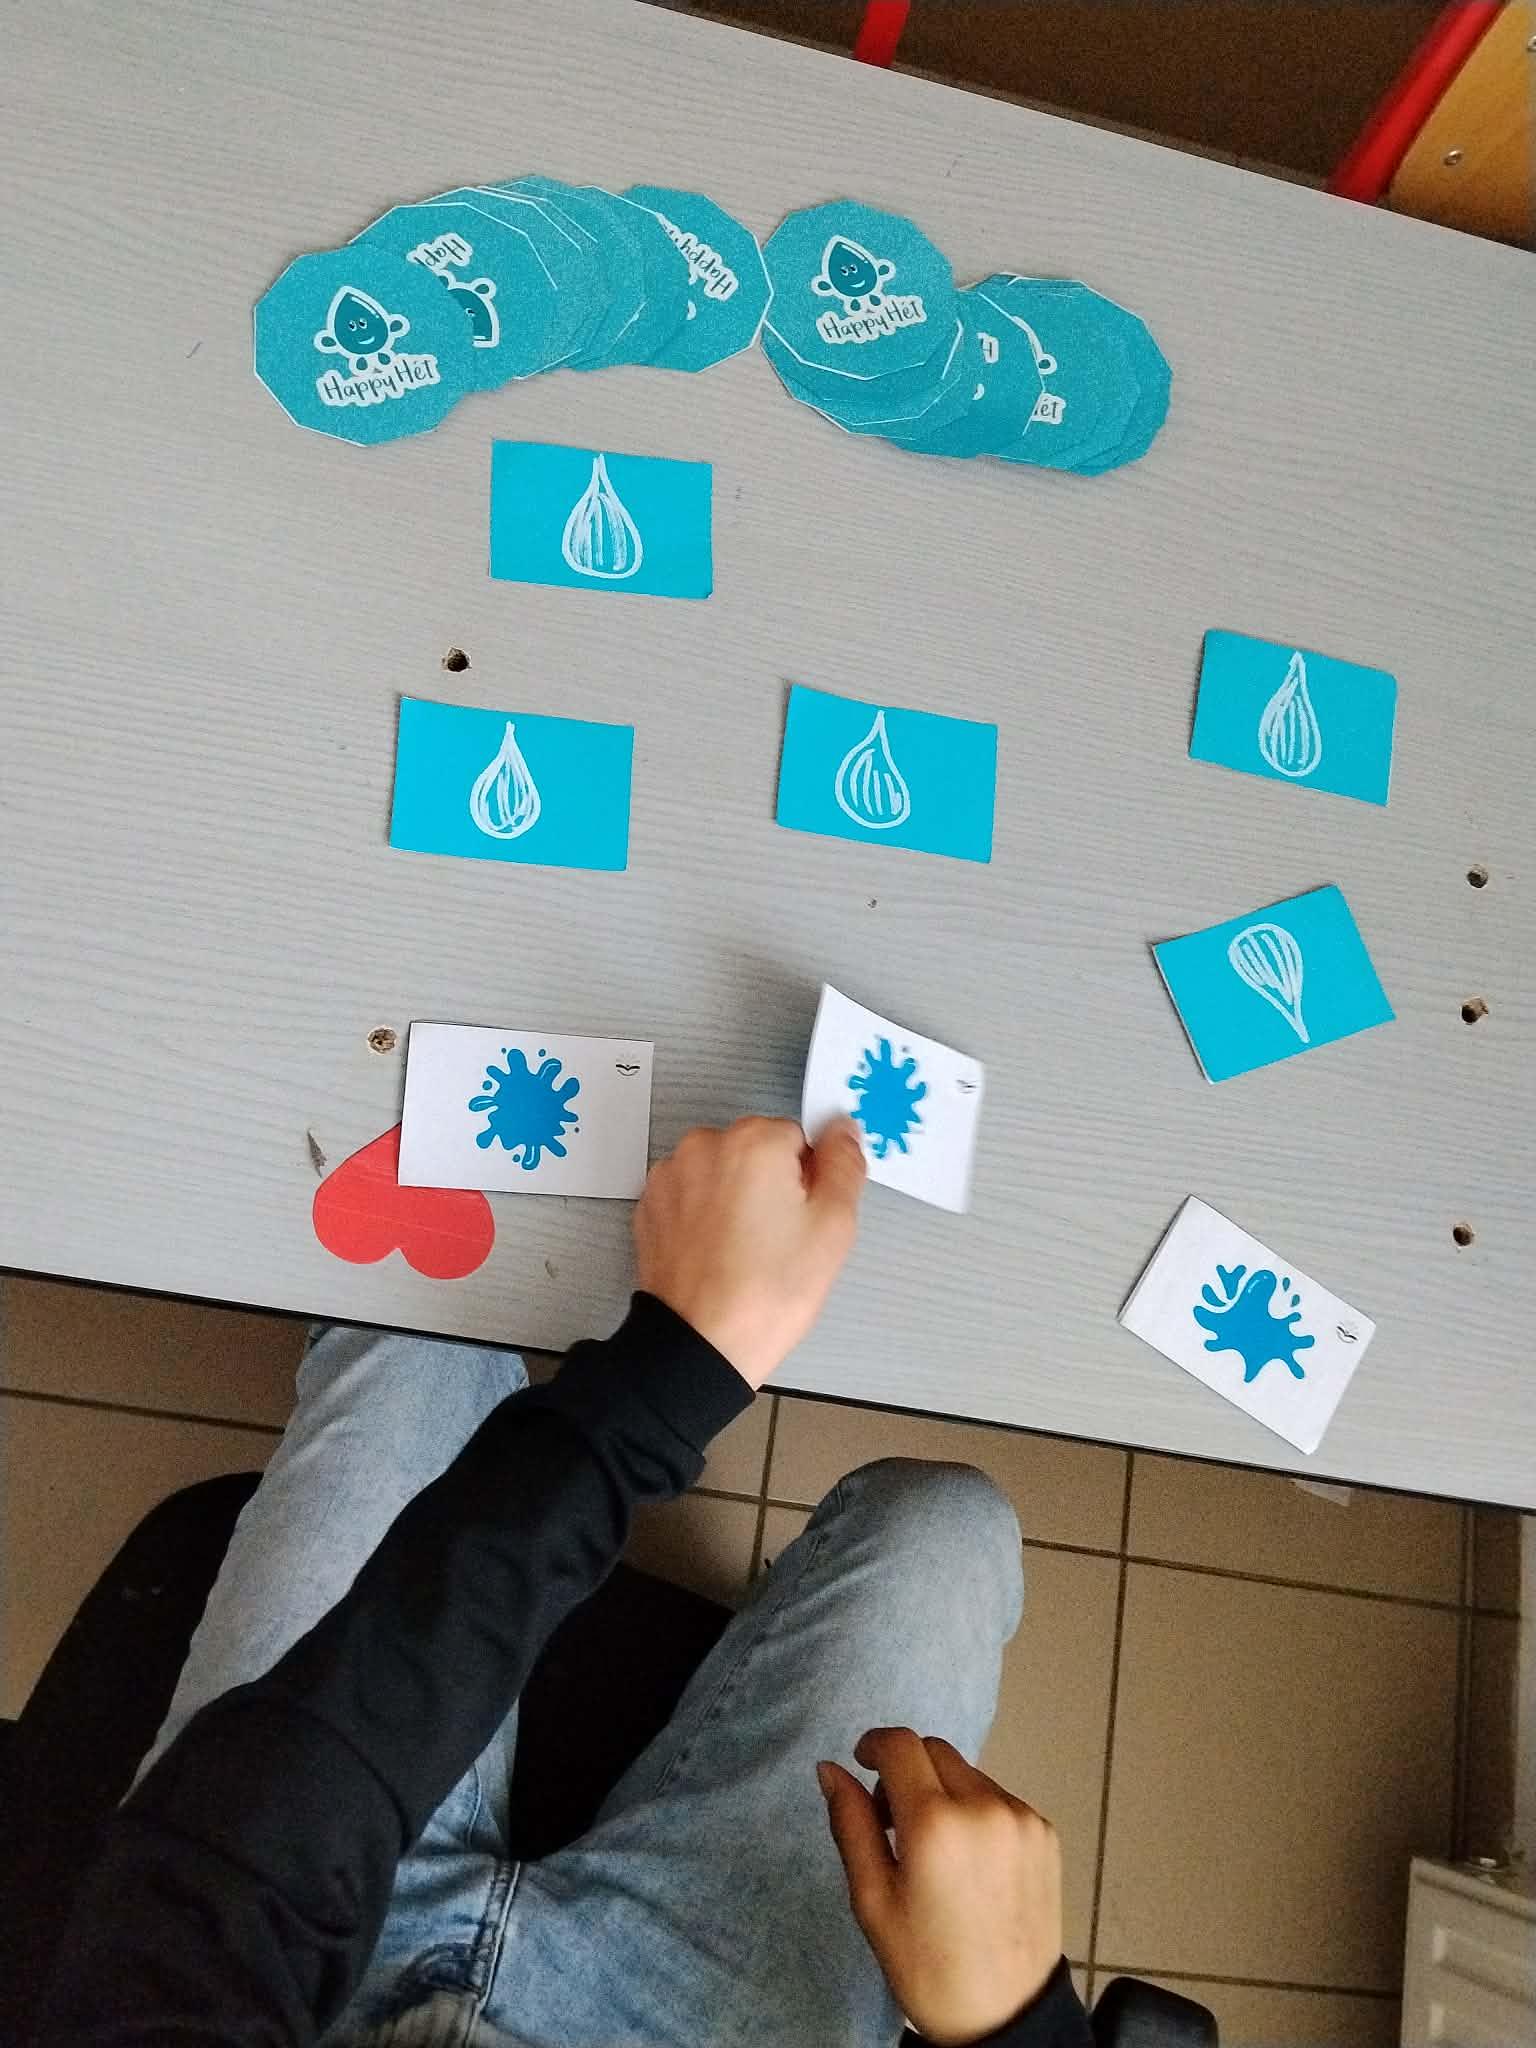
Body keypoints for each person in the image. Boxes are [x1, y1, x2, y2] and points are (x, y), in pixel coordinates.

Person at [40, 1116, 1092, 2048]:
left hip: (285, 1966)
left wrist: (672, 1379)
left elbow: (215, 1886)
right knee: (948, 1525)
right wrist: (1020, 2021)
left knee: (412, 1300)